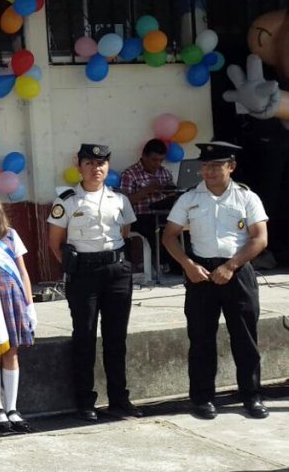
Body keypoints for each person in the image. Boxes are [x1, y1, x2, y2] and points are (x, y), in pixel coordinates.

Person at [161, 142, 269, 420]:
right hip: (201, 273)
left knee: (245, 339)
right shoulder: (189, 198)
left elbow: (260, 238)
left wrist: (231, 266)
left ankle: (252, 396)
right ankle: (202, 399)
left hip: (237, 269)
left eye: (215, 165)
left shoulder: (247, 197)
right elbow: (169, 235)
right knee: (201, 339)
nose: (207, 171)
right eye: (204, 166)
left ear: (230, 166)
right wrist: (187, 265)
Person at [47, 144, 143, 422]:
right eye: (89, 163)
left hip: (116, 271)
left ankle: (119, 399)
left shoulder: (119, 199)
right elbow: (55, 243)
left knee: (116, 338)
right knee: (85, 336)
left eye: (101, 164)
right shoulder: (66, 200)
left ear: (107, 167)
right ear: (79, 166)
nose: (96, 169)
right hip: (83, 274)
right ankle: (85, 401)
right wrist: (73, 266)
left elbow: (125, 233)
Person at [0, 188, 37, 432]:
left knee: (12, 352)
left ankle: (12, 407)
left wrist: (30, 305)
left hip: (12, 298)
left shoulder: (11, 236)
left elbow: (23, 272)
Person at [119, 138, 177, 267]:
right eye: (154, 160)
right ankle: (162, 263)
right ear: (144, 156)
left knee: (179, 226)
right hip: (140, 217)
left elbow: (173, 193)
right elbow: (124, 203)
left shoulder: (165, 172)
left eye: (161, 160)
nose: (157, 164)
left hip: (164, 214)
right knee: (153, 228)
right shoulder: (130, 174)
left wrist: (170, 192)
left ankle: (178, 264)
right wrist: (146, 191)